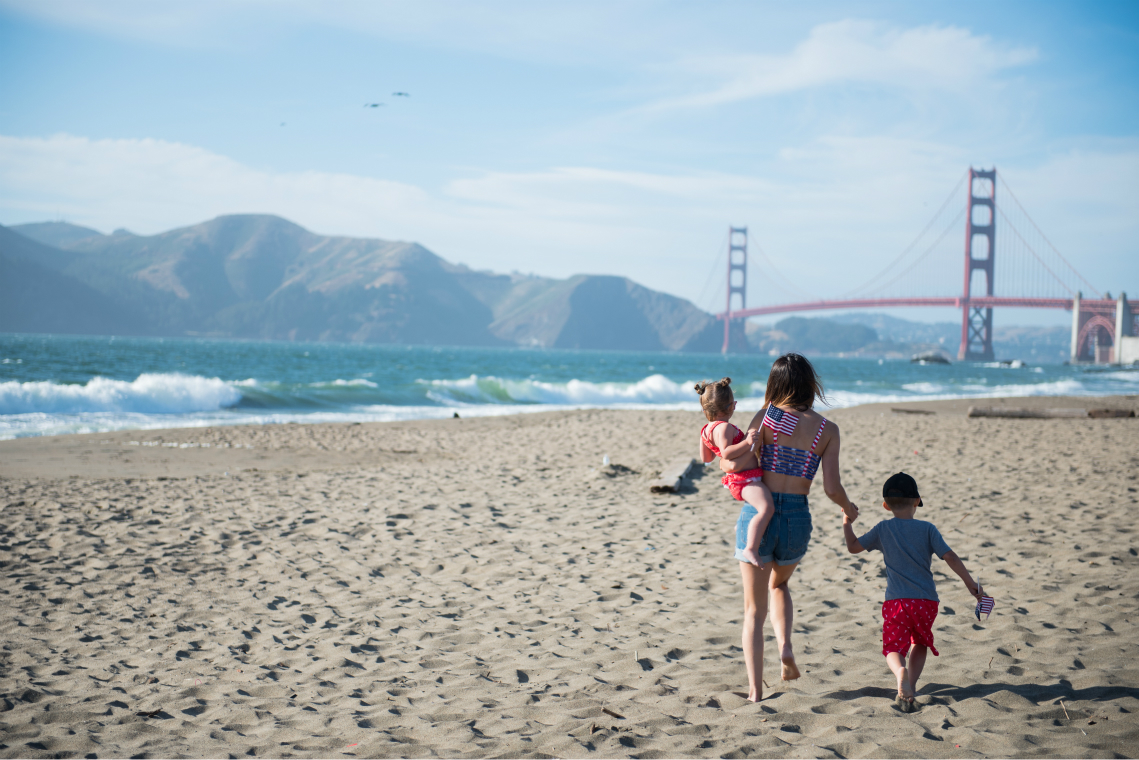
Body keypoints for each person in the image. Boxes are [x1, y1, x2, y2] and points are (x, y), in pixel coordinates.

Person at [724, 353, 857, 702]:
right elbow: (831, 487)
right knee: (779, 585)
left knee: (754, 609)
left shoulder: (766, 418)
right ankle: (785, 647)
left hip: (760, 512)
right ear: (810, 385)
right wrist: (848, 507)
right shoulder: (827, 430)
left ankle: (755, 691)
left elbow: (739, 461)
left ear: (776, 384)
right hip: (798, 516)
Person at [842, 471, 984, 712]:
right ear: (917, 501)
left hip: (896, 602)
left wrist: (847, 522)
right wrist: (970, 583)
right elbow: (949, 556)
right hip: (926, 602)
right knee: (920, 642)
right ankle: (912, 684)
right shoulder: (928, 529)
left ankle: (900, 672)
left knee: (893, 648)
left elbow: (853, 547)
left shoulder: (883, 529)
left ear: (886, 505)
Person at [696, 378, 775, 567]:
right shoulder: (725, 427)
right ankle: (751, 547)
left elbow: (707, 458)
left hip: (737, 479)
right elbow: (725, 453)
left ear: (705, 410)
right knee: (767, 508)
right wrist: (747, 442)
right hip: (746, 480)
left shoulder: (706, 431)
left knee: (758, 507)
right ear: (732, 406)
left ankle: (742, 526)